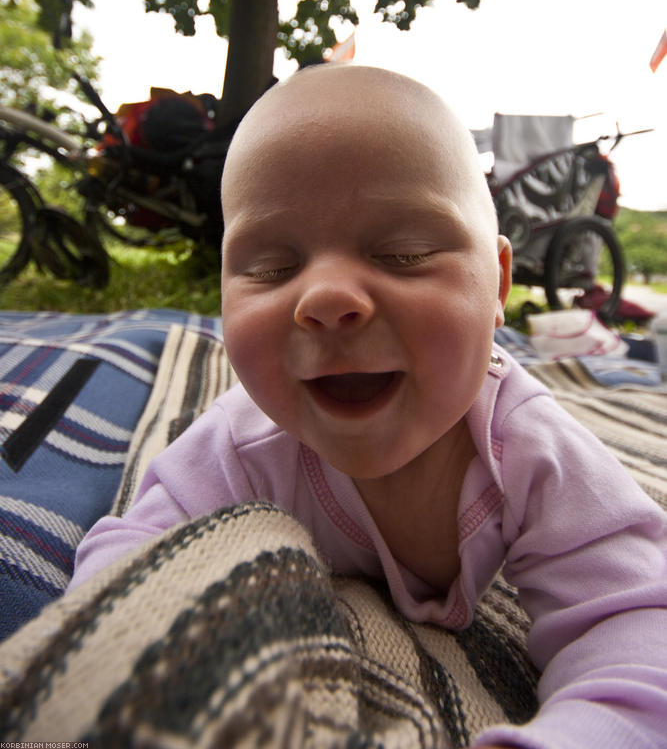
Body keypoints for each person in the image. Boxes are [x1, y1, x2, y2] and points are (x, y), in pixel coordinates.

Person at [69, 65, 667, 749]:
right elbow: (126, 581)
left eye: (403, 254)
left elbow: (636, 625)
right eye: (270, 267)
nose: (324, 298)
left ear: (497, 282)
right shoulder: (242, 448)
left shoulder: (525, 448)